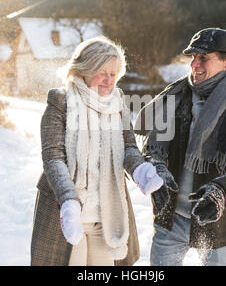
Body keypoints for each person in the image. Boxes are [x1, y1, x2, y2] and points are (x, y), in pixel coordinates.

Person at [134, 28, 226, 266]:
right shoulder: (176, 97)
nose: (193, 65)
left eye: (203, 58)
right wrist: (157, 168)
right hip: (170, 217)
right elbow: (151, 147)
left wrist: (221, 192)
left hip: (217, 219)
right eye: (192, 58)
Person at [30, 36, 164, 266]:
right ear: (84, 70)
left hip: (106, 215)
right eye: (103, 72)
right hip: (68, 214)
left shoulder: (117, 101)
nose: (109, 80)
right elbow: (53, 158)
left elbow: (128, 147)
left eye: (114, 74)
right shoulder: (60, 101)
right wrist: (69, 201)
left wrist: (140, 170)